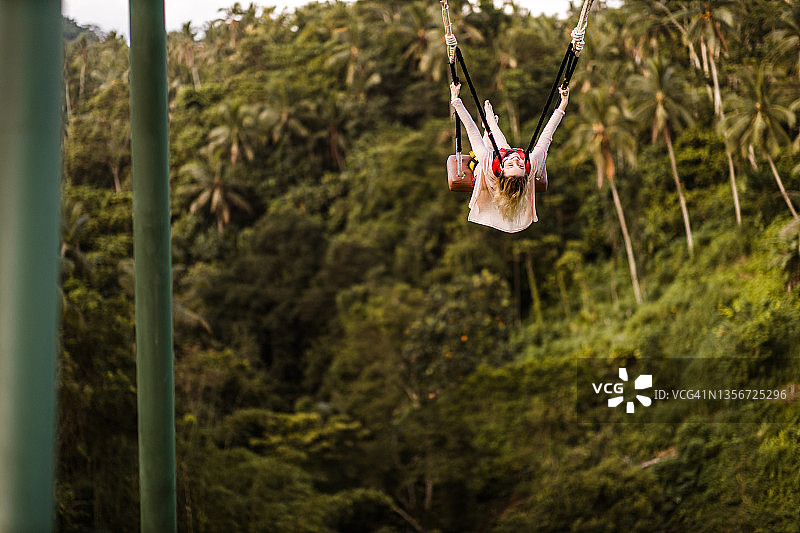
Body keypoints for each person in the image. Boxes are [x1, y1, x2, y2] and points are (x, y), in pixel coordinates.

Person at [449, 82, 570, 232]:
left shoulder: (488, 165)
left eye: (511, 166)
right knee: (506, 150)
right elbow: (547, 136)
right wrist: (563, 105)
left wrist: (456, 100)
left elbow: (470, 129)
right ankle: (490, 125)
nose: (516, 161)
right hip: (501, 155)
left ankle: (489, 130)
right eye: (520, 166)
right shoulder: (530, 164)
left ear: (501, 170)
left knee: (490, 150)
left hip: (484, 170)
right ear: (526, 173)